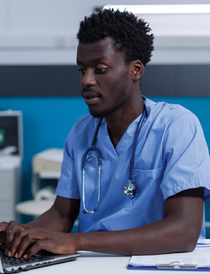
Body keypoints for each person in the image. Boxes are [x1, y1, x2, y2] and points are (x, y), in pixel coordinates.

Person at [1, 8, 210, 258]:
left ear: (136, 70)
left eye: (99, 69)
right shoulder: (81, 133)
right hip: (95, 263)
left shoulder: (176, 126)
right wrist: (22, 233)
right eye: (82, 70)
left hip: (163, 263)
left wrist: (75, 241)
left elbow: (184, 231)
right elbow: (61, 214)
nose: (86, 80)